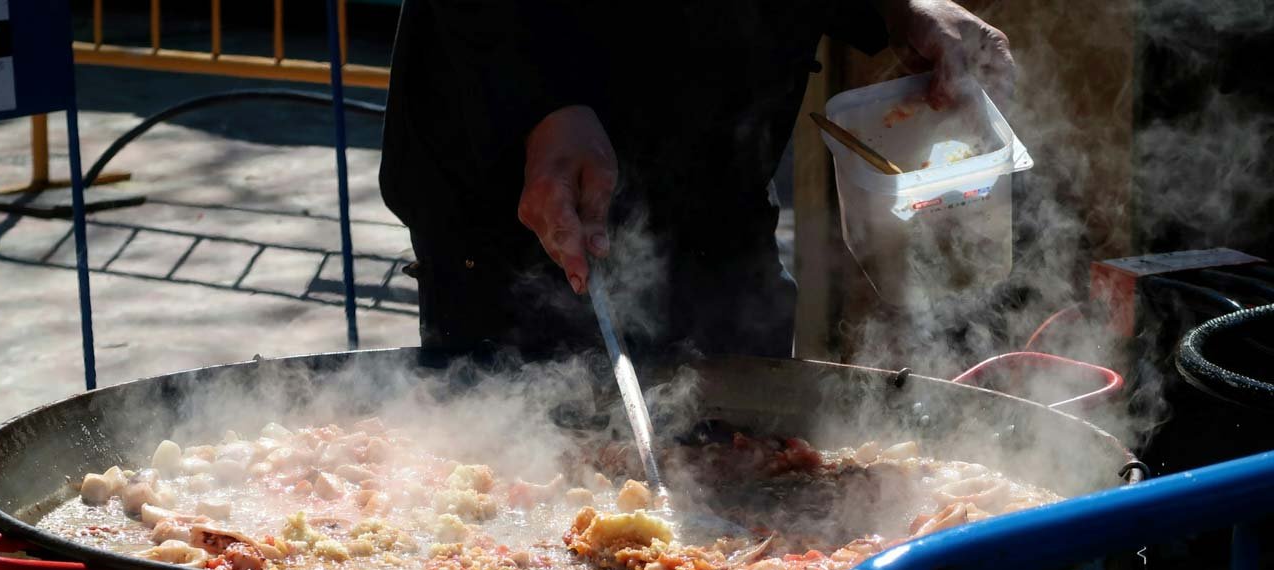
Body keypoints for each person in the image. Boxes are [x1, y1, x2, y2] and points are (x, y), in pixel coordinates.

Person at [380, 0, 1014, 358]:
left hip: (719, 193)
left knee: (756, 473)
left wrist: (900, 9)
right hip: (517, 202)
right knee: (505, 487)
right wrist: (540, 102)